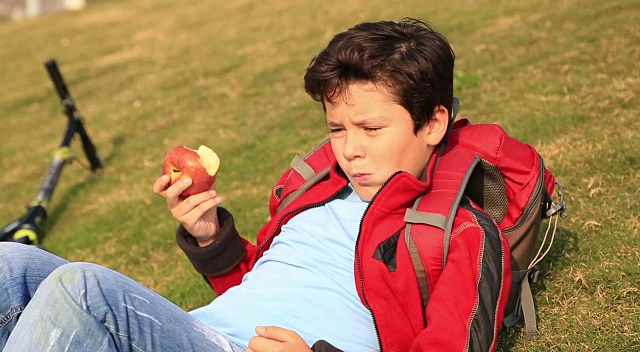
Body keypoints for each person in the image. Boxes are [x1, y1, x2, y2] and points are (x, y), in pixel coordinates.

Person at [0, 17, 511, 351]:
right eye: (336, 129)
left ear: (433, 123)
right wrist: (208, 235)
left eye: (372, 129)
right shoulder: (318, 191)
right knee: (12, 263)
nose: (349, 149)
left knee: (82, 288)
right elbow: (260, 283)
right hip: (202, 331)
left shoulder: (457, 230)